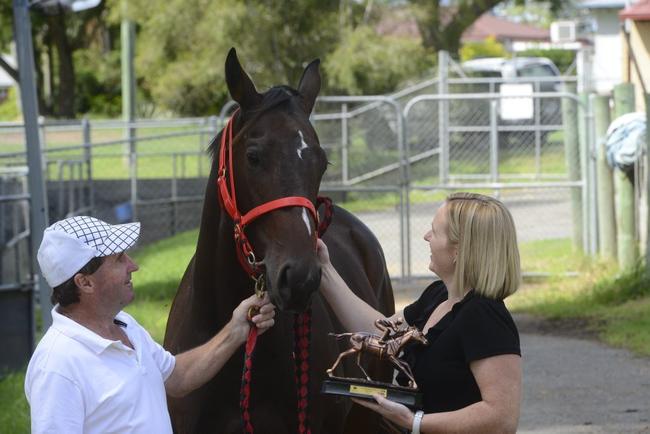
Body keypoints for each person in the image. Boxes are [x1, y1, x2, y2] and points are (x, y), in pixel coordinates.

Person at [25, 215, 275, 434]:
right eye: (119, 258)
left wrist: (235, 329)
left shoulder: (125, 326)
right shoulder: (57, 365)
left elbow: (177, 376)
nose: (133, 265)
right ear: (84, 282)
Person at [317, 192, 522, 433]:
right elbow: (379, 332)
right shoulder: (438, 295)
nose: (426, 237)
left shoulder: (485, 317)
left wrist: (414, 422)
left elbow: (501, 418)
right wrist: (324, 270)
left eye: (434, 232)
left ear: (458, 250)